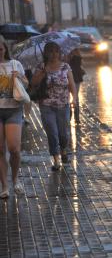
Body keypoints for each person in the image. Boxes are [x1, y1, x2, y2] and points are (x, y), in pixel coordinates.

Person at [31, 42, 77, 171]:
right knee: (52, 132)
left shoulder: (65, 67)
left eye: (56, 51)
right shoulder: (41, 66)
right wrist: (42, 73)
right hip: (46, 105)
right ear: (46, 53)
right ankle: (56, 159)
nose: (54, 54)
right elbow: (33, 83)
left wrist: (75, 98)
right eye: (50, 51)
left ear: (59, 52)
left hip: (63, 105)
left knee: (63, 134)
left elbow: (72, 84)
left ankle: (63, 149)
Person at [0, 39, 29, 198]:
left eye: (0, 49)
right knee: (0, 150)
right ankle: (4, 186)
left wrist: (19, 78)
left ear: (5, 49)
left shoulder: (15, 64)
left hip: (13, 110)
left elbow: (26, 84)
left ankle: (16, 179)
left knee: (14, 149)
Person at [67, 48, 85, 124]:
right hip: (76, 77)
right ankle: (77, 118)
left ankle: (70, 116)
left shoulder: (68, 56)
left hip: (70, 78)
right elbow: (81, 65)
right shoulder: (78, 55)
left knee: (68, 97)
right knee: (75, 97)